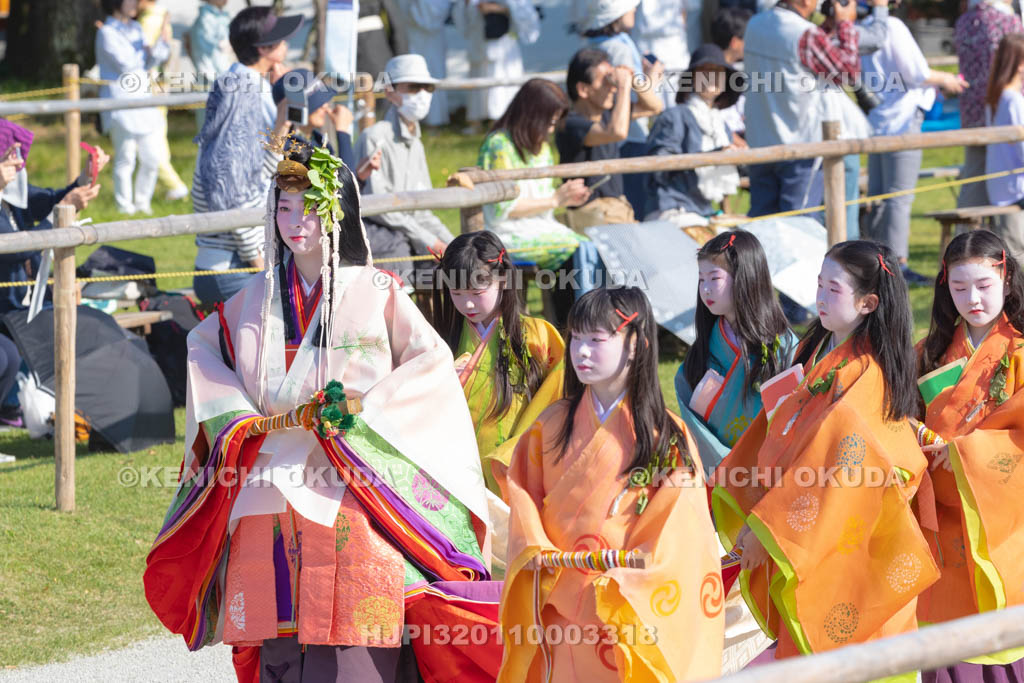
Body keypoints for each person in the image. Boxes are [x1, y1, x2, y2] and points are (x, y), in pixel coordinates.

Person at [144, 141, 496, 683]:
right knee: (276, 646)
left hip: (356, 482)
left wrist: (363, 412)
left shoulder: (378, 292)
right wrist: (240, 421)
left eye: (311, 206)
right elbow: (202, 351)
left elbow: (431, 363)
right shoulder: (249, 299)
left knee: (359, 639)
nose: (296, 221)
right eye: (283, 207)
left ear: (338, 211)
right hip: (267, 484)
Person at [713, 241, 939, 661]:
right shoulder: (814, 350)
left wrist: (768, 528)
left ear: (868, 302)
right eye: (818, 285)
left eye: (833, 289)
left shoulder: (868, 374)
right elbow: (781, 430)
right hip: (800, 523)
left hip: (848, 543)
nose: (819, 297)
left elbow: (841, 470)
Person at [498, 286, 724, 682]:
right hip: (556, 597)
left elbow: (678, 530)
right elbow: (522, 492)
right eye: (576, 339)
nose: (581, 352)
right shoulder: (551, 425)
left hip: (619, 602)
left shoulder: (663, 436)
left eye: (597, 340)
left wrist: (629, 574)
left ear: (636, 345)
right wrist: (538, 549)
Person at [915, 230, 1024, 683]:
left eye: (983, 285)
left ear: (1007, 280)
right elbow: (899, 415)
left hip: (1001, 515)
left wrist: (963, 452)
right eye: (959, 288)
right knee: (942, 632)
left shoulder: (1018, 351)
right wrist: (915, 432)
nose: (972, 299)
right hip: (937, 513)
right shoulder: (928, 352)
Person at [432, 231, 565, 495]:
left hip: (517, 465)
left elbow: (557, 400)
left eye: (477, 291)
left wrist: (515, 450)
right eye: (456, 293)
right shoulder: (439, 342)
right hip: (455, 468)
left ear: (503, 280)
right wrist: (439, 381)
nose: (467, 303)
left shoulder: (538, 337)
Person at [191, 6, 301, 307]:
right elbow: (231, 187)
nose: (287, 43)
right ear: (264, 48)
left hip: (223, 261)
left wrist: (282, 122)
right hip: (235, 265)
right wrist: (260, 260)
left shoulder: (238, 81)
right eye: (280, 38)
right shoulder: (245, 90)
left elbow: (256, 167)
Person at [0, 125, 108, 426]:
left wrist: (85, 179)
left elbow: (48, 200)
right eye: (9, 156)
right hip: (9, 310)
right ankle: (18, 408)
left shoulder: (10, 193)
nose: (18, 163)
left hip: (22, 305)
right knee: (6, 355)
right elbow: (14, 250)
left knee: (90, 325)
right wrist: (61, 212)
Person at [674, 230, 797, 476]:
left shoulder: (784, 346)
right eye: (701, 279)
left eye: (714, 278)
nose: (705, 289)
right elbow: (691, 416)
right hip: (719, 471)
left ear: (746, 278)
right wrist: (725, 463)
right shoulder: (703, 351)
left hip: (770, 469)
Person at [477, 77, 603, 310]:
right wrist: (555, 199)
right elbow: (502, 210)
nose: (552, 129)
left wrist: (564, 198)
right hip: (505, 234)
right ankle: (580, 315)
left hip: (539, 228)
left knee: (592, 246)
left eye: (555, 122)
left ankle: (579, 315)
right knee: (581, 247)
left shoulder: (541, 147)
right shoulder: (499, 145)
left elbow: (540, 200)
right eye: (550, 122)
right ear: (532, 116)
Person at [861, 14, 966, 284]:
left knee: (882, 197)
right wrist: (946, 78)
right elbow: (916, 72)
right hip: (902, 119)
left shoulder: (859, 27)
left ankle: (877, 262)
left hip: (879, 119)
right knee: (898, 198)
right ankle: (897, 266)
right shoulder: (891, 26)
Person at [742, 0, 860, 218]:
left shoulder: (754, 24)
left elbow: (799, 55)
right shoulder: (806, 34)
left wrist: (827, 28)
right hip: (800, 146)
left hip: (760, 142)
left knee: (761, 227)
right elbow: (849, 73)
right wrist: (844, 25)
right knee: (799, 227)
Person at [357, 54, 456, 284]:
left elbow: (423, 206)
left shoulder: (417, 141)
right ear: (390, 92)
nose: (422, 95)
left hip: (412, 233)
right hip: (382, 236)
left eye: (427, 87)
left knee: (466, 258)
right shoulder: (375, 137)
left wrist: (451, 243)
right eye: (413, 87)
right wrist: (431, 241)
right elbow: (381, 208)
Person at [578, 0, 665, 216]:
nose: (635, 9)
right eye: (629, 6)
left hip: (607, 135)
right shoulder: (619, 48)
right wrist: (653, 80)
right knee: (636, 209)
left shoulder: (593, 44)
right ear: (616, 14)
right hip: (629, 135)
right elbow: (636, 95)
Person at [644, 44, 743, 225]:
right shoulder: (674, 117)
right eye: (705, 71)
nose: (712, 78)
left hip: (704, 210)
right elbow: (658, 169)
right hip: (672, 209)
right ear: (692, 79)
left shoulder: (721, 125)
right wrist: (714, 156)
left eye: (718, 72)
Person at [95, 0, 170, 216]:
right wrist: (145, 49)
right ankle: (124, 206)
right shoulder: (107, 32)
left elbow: (152, 60)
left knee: (152, 157)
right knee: (125, 157)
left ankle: (142, 202)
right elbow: (127, 64)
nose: (136, 3)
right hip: (120, 102)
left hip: (144, 99)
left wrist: (161, 40)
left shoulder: (136, 29)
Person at [555, 48, 635, 230]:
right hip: (593, 215)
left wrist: (631, 78)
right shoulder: (570, 123)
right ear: (583, 89)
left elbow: (653, 106)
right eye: (605, 81)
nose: (612, 87)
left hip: (617, 210)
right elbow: (618, 132)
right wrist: (623, 86)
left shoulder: (608, 117)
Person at [955, 0, 1023, 212]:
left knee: (974, 181)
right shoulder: (1007, 22)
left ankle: (965, 238)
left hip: (976, 111)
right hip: (1005, 111)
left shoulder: (965, 20)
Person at [270, 67, 381, 183]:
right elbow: (343, 186)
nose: (324, 105)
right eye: (316, 102)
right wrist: (343, 132)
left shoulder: (319, 140)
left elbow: (345, 191)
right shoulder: (290, 148)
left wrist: (360, 176)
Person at [454, 0, 541, 133]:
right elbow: (462, 19)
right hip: (478, 43)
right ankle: (476, 121)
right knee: (478, 82)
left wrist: (497, 9)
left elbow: (525, 16)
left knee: (501, 85)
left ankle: (500, 121)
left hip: (503, 46)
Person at [137, 0, 191, 203]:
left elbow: (146, 59)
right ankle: (173, 187)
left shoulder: (149, 21)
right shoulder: (160, 17)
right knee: (159, 139)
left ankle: (176, 186)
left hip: (149, 89)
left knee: (149, 143)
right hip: (160, 87)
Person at [985, 34, 1024, 264]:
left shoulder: (997, 97)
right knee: (1017, 259)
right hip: (1015, 191)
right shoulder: (1013, 101)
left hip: (1003, 190)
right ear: (1020, 64)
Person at [631, 0, 689, 109]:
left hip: (676, 52)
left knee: (677, 105)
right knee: (649, 104)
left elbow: (687, 9)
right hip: (646, 50)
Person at [403, 0, 450, 127]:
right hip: (413, 39)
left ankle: (435, 119)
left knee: (433, 76)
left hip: (432, 43)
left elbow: (431, 21)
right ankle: (412, 116)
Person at [188, 0, 234, 79]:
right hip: (212, 70)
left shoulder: (222, 15)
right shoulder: (206, 17)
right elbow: (209, 48)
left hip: (220, 67)